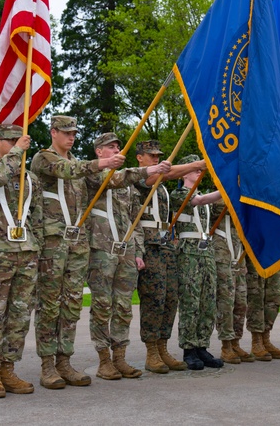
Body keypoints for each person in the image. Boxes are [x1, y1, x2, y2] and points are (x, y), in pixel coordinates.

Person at [29, 115, 126, 389]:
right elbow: (66, 171)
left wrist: (149, 172)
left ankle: (64, 361)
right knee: (49, 303)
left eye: (74, 132)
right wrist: (103, 162)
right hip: (52, 241)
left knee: (71, 303)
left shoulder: (78, 165)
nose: (71, 137)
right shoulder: (43, 158)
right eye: (66, 132)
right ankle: (47, 364)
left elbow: (113, 181)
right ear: (54, 132)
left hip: (77, 242)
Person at [85, 132, 170, 380]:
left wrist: (138, 251)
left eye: (117, 147)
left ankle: (120, 358)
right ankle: (103, 360)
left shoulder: (128, 189)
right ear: (99, 152)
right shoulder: (93, 175)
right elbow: (116, 178)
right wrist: (149, 169)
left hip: (126, 251)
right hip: (102, 249)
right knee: (102, 306)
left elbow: (135, 221)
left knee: (123, 307)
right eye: (110, 148)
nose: (116, 150)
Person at [0, 124, 43, 397]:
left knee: (20, 316)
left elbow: (35, 216)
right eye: (11, 140)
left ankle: (8, 369)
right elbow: (0, 177)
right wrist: (18, 151)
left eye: (20, 139)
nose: (18, 144)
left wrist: (35, 248)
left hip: (25, 253)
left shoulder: (30, 179)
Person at [133, 140, 205, 374]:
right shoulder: (140, 178)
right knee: (153, 298)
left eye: (158, 155)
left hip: (166, 246)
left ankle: (163, 346)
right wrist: (200, 163)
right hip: (150, 245)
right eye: (151, 155)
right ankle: (151, 351)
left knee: (169, 298)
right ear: (140, 158)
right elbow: (166, 174)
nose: (155, 159)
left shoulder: (162, 186)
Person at [170, 156, 224, 370]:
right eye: (195, 170)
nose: (199, 173)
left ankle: (202, 345)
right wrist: (227, 189)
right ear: (184, 173)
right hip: (188, 253)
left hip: (206, 252)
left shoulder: (204, 197)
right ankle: (189, 349)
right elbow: (197, 201)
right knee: (190, 302)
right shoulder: (179, 194)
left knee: (207, 302)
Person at [211, 202, 253, 364]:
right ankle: (226, 345)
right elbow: (220, 207)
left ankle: (236, 341)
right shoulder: (220, 198)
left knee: (241, 302)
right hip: (222, 251)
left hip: (238, 251)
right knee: (226, 301)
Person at [245, 259, 280, 361]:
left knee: (273, 296)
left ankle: (266, 340)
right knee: (256, 296)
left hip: (274, 254)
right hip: (255, 251)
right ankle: (256, 342)